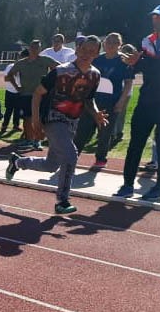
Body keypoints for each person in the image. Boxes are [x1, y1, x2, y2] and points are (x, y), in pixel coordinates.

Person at [6, 35, 105, 215]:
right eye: (84, 50)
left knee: (52, 165)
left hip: (71, 122)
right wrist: (36, 121)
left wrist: (96, 113)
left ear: (97, 54)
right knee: (71, 155)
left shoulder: (95, 75)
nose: (86, 54)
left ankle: (17, 161)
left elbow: (89, 99)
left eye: (92, 51)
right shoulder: (60, 71)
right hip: (53, 118)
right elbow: (37, 94)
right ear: (77, 50)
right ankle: (62, 200)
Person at [115, 3, 160, 201]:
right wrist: (134, 64)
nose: (156, 20)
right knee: (135, 144)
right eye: (155, 17)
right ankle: (127, 184)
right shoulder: (146, 41)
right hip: (146, 101)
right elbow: (144, 68)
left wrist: (142, 63)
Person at [72, 32, 134, 168]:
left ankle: (101, 159)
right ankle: (72, 156)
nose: (111, 45)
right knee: (82, 130)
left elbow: (128, 83)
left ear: (120, 45)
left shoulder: (124, 62)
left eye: (114, 42)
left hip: (111, 103)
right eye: (108, 42)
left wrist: (121, 101)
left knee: (105, 132)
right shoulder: (97, 59)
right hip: (92, 101)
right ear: (103, 44)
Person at [5, 39, 59, 149]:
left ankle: (37, 140)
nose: (35, 50)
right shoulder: (21, 63)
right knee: (27, 118)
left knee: (40, 118)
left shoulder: (45, 60)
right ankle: (28, 139)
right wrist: (17, 87)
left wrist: (51, 84)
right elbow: (9, 76)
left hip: (41, 95)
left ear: (40, 49)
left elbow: (60, 69)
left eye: (37, 48)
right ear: (29, 49)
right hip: (26, 94)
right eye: (33, 48)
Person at [0, 47, 27, 135]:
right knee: (9, 110)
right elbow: (6, 78)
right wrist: (13, 75)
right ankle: (4, 126)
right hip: (10, 91)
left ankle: (16, 125)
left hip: (19, 92)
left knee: (17, 110)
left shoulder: (25, 67)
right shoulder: (10, 66)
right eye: (21, 57)